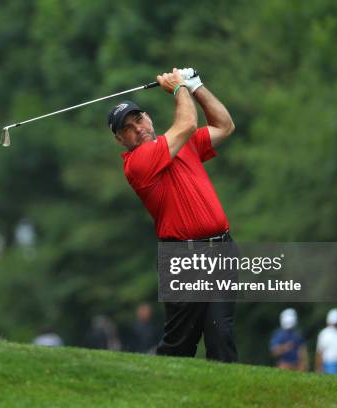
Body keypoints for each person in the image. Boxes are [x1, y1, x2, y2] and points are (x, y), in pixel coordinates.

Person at [107, 67, 236, 361]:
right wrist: (179, 87)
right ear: (120, 139)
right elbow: (188, 122)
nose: (138, 128)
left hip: (222, 249)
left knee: (222, 336)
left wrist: (196, 85)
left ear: (148, 116)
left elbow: (225, 125)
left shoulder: (183, 143)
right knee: (180, 345)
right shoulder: (138, 163)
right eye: (127, 127)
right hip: (183, 257)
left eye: (138, 118)